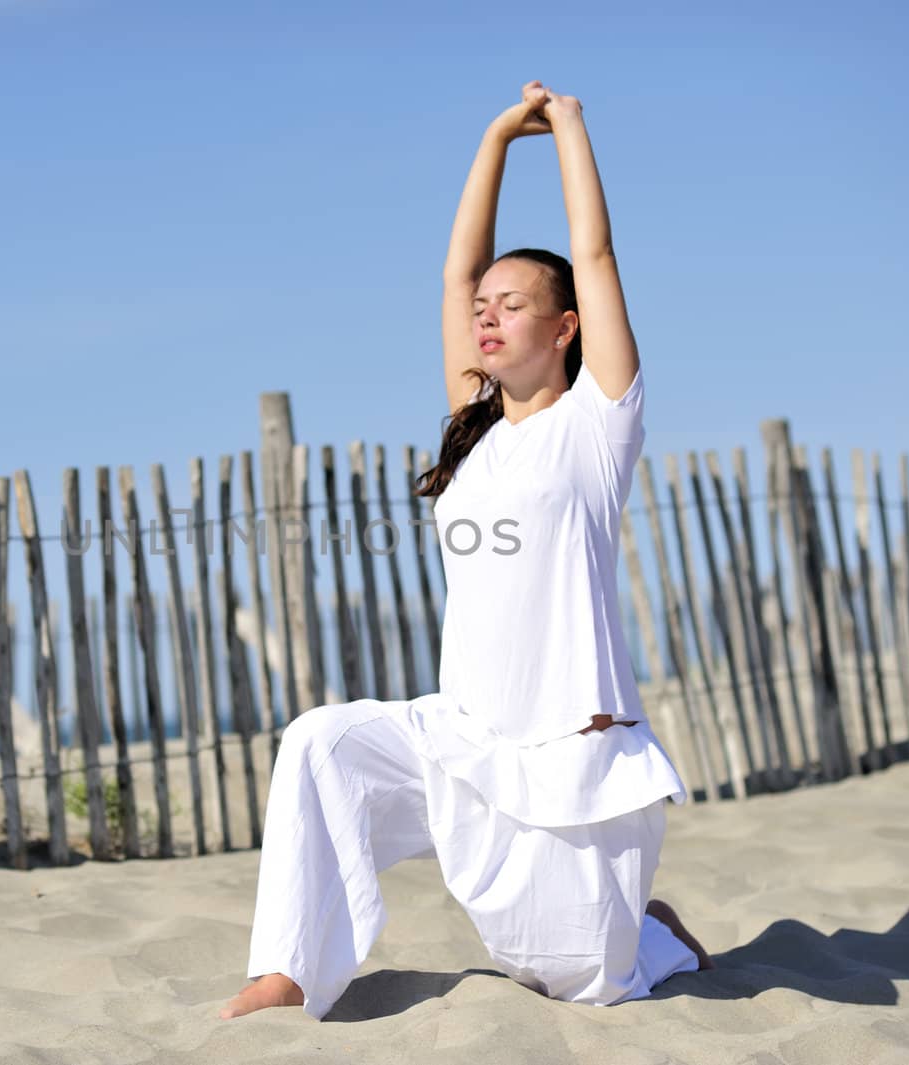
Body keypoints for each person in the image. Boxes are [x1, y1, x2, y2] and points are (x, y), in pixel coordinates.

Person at [219, 80, 714, 1022]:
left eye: (514, 304)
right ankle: (285, 969)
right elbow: (455, 276)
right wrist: (494, 137)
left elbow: (596, 253)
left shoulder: (597, 426)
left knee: (578, 978)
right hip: (460, 735)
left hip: (570, 758)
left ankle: (657, 930)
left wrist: (566, 125)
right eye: (484, 307)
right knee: (321, 743)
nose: (486, 316)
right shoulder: (474, 428)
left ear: (565, 327)